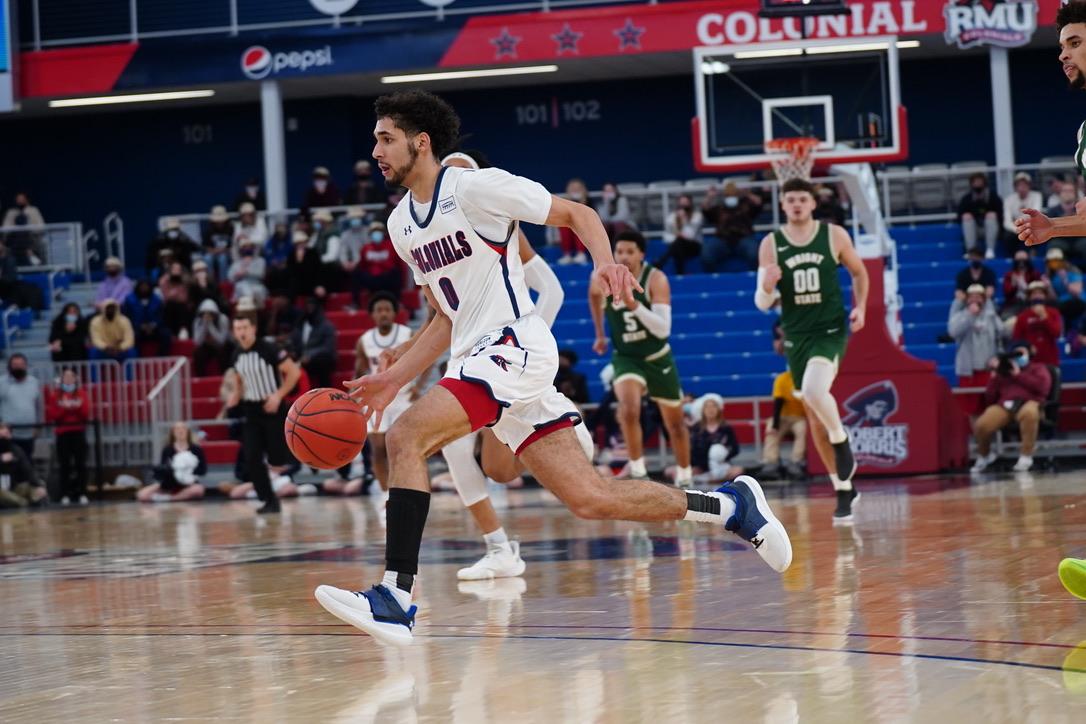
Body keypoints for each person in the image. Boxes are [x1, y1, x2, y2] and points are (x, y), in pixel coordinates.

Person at [314, 90, 791, 645]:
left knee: (406, 437)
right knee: (590, 499)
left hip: (513, 345)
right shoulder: (402, 227)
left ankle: (395, 597)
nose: (375, 150)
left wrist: (607, 264)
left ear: (420, 143)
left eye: (385, 138)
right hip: (478, 356)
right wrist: (393, 377)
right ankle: (730, 506)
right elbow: (446, 317)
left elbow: (576, 213)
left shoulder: (473, 187)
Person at [755, 177, 869, 522]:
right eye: (790, 199)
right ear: (783, 204)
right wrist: (767, 285)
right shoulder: (771, 244)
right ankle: (844, 488)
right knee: (814, 414)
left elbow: (860, 273)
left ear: (812, 203)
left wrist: (860, 306)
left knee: (817, 392)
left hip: (830, 329)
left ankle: (841, 438)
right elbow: (763, 303)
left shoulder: (833, 235)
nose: (797, 204)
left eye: (802, 198)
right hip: (796, 334)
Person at [590, 229, 692, 485]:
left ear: (641, 255)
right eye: (619, 251)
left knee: (676, 425)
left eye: (630, 252)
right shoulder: (603, 277)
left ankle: (685, 476)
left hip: (657, 356)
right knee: (628, 410)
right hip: (626, 357)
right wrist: (600, 334)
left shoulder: (656, 279)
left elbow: (663, 329)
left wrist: (633, 304)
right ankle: (638, 472)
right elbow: (593, 296)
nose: (623, 256)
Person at [1016, 4, 1086, 252]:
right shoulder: (1083, 132)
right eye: (1062, 47)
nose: (1063, 55)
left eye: (1075, 43)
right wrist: (1054, 227)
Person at [342, 292, 420, 503]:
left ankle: (407, 491)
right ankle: (387, 495)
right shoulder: (365, 341)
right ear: (372, 315)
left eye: (387, 309)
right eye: (379, 310)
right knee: (377, 449)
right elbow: (360, 369)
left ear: (395, 313)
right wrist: (354, 394)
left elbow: (426, 360)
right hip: (378, 400)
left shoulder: (407, 334)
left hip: (403, 398)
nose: (384, 313)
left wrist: (419, 386)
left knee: (402, 449)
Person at [225, 312, 300, 514]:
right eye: (237, 328)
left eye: (244, 328)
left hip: (273, 408)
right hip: (251, 409)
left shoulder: (269, 348)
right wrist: (235, 394)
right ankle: (269, 499)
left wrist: (278, 396)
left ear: (253, 329)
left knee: (279, 458)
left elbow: (294, 372)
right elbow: (240, 378)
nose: (241, 332)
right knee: (251, 456)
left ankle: (292, 479)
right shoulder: (236, 354)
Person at [971, 341, 1052, 473]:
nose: (1019, 357)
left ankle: (1026, 456)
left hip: (1031, 402)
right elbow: (990, 398)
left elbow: (1042, 388)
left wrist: (1018, 375)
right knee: (982, 424)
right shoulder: (1002, 373)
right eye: (1015, 354)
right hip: (1006, 405)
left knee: (1029, 413)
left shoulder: (1038, 368)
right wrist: (994, 377)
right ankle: (984, 455)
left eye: (1021, 353)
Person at [676, 393, 742, 485]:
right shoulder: (696, 428)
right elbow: (691, 450)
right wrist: (698, 465)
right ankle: (710, 478)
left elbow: (735, 449)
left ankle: (712, 478)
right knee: (679, 472)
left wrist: (723, 455)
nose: (710, 410)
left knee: (738, 471)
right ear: (702, 410)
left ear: (718, 409)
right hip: (701, 466)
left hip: (721, 465)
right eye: (707, 407)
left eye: (713, 407)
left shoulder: (726, 428)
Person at [45, 368, 89, 505]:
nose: (68, 379)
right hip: (62, 434)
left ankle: (82, 493)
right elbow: (53, 415)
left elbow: (85, 413)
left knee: (80, 464)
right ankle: (65, 494)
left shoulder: (82, 393)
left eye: (71, 377)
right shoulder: (55, 395)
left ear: (76, 379)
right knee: (64, 465)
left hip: (78, 432)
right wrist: (67, 408)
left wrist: (70, 407)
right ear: (61, 379)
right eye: (66, 377)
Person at [948, 283, 1005, 387]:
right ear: (967, 299)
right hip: (968, 371)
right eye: (971, 297)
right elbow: (953, 332)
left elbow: (1001, 332)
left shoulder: (990, 315)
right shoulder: (960, 315)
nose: (975, 300)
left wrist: (990, 306)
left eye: (978, 297)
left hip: (987, 368)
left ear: (984, 299)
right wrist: (970, 315)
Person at [137, 422, 208, 503]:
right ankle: (170, 495)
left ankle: (171, 498)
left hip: (188, 483)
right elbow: (163, 469)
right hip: (169, 482)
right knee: (142, 495)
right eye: (177, 429)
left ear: (188, 432)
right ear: (173, 432)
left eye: (183, 429)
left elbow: (203, 470)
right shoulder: (167, 449)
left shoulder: (196, 449)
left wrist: (187, 472)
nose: (180, 431)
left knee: (198, 490)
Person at [703, 182, 764, 272]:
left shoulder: (745, 205)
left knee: (754, 253)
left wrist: (748, 194)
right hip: (722, 240)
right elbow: (705, 209)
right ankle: (712, 279)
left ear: (737, 194)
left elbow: (759, 203)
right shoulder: (719, 208)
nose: (731, 197)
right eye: (728, 195)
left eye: (733, 194)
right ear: (725, 195)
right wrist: (710, 197)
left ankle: (755, 277)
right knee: (707, 254)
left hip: (744, 239)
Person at [762, 368, 807, 479]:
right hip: (782, 417)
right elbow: (778, 402)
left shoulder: (807, 379)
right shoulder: (782, 379)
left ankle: (796, 461)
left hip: (800, 418)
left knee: (803, 429)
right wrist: (775, 425)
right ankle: (771, 462)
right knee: (771, 427)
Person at [0, 354, 41, 460]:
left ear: (26, 366)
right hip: (8, 434)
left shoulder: (34, 382)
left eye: (21, 364)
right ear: (10, 366)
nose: (18, 367)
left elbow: (38, 405)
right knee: (10, 464)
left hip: (29, 432)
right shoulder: (2, 382)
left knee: (27, 462)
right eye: (15, 364)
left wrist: (38, 426)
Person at [351, 220, 403, 305]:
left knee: (396, 273)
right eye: (374, 231)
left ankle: (397, 301)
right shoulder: (366, 248)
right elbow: (363, 264)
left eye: (379, 231)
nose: (377, 234)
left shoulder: (391, 246)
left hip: (387, 277)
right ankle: (355, 303)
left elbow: (398, 263)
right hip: (371, 278)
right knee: (356, 273)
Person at [1013, 281, 1063, 366]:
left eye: (1040, 293)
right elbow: (1016, 339)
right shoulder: (1023, 316)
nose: (1037, 296)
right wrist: (1027, 347)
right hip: (1030, 363)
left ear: (1045, 296)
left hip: (1050, 361)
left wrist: (1044, 317)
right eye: (1034, 293)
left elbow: (1057, 333)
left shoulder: (1053, 313)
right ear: (1029, 297)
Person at [291, 297, 337, 389]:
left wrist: (310, 355)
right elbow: (294, 342)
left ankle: (325, 392)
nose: (309, 309)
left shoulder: (326, 325)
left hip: (320, 358)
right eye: (307, 306)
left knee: (323, 362)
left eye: (312, 306)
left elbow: (328, 347)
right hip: (301, 358)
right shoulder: (300, 324)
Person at [0, 422, 48, 509]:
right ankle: (24, 503)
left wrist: (39, 485)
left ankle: (36, 500)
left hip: (13, 488)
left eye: (6, 435)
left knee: (30, 487)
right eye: (1, 436)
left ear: (10, 435)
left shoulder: (16, 450)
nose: (4, 438)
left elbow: (28, 470)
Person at [958, 172, 1003, 258]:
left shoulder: (993, 196)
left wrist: (991, 214)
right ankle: (971, 250)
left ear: (984, 183)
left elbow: (1001, 214)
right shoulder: (967, 198)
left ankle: (990, 250)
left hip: (991, 229)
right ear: (971, 184)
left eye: (980, 181)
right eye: (975, 182)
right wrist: (968, 215)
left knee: (992, 216)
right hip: (974, 229)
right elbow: (959, 216)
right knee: (966, 217)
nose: (978, 184)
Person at [656, 193, 703, 275]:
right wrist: (677, 228)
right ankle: (680, 274)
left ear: (690, 204)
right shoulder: (672, 217)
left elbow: (690, 236)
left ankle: (660, 262)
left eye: (686, 203)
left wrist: (683, 220)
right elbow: (666, 236)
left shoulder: (697, 216)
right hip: (678, 245)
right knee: (678, 245)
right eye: (681, 203)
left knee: (678, 243)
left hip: (694, 247)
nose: (683, 206)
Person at [123, 279, 171, 356]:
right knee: (133, 336)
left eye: (146, 286)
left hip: (154, 328)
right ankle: (137, 359)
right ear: (138, 287)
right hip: (136, 328)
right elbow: (126, 317)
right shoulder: (129, 300)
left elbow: (162, 316)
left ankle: (161, 357)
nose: (144, 288)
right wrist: (140, 326)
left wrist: (153, 325)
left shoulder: (157, 299)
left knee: (166, 335)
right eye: (142, 286)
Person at [1043, 247, 1085, 327]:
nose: (1054, 263)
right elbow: (1054, 298)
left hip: (1077, 302)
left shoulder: (1073, 271)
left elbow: (1076, 293)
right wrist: (1049, 286)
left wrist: (1064, 279)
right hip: (1061, 304)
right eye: (1051, 261)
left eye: (1056, 260)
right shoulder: (1051, 276)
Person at [1, 192, 46, 265]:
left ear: (26, 200)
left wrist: (28, 226)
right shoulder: (11, 212)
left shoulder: (33, 210)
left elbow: (41, 227)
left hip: (31, 240)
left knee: (34, 254)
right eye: (18, 199)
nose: (20, 201)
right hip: (14, 242)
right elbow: (5, 229)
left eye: (22, 199)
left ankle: (37, 266)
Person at [556, 178, 593, 265]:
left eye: (578, 189)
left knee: (580, 225)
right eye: (573, 188)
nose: (575, 191)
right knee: (564, 226)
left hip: (585, 228)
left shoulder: (589, 201)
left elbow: (592, 218)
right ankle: (567, 254)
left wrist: (582, 202)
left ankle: (581, 254)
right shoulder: (565, 202)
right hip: (570, 227)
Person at [192, 299, 232, 377]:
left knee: (224, 352)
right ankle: (201, 377)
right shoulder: (198, 321)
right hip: (207, 346)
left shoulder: (223, 319)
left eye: (211, 313)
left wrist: (210, 326)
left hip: (222, 346)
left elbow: (221, 341)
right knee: (197, 353)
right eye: (205, 313)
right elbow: (197, 342)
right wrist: (204, 325)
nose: (208, 316)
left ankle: (225, 376)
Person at [1001, 249, 1043, 318]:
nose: (1021, 263)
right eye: (1019, 260)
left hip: (1031, 303)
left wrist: (1026, 288)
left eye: (1023, 260)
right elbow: (1007, 294)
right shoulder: (1009, 275)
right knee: (1005, 316)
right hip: (1014, 304)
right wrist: (1014, 285)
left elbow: (1039, 291)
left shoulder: (1034, 274)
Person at [227, 237, 268, 308]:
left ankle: (255, 312)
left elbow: (261, 274)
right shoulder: (236, 263)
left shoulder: (261, 261)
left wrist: (247, 272)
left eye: (250, 247)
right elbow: (230, 278)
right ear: (241, 249)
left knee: (258, 291)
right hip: (241, 286)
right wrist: (237, 275)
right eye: (245, 247)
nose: (248, 249)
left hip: (256, 284)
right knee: (243, 287)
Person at [157, 261, 194, 336]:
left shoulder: (185, 280)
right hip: (169, 306)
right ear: (170, 270)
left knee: (182, 306)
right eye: (174, 269)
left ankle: (183, 330)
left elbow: (184, 298)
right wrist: (168, 278)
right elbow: (166, 297)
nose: (176, 271)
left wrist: (174, 293)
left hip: (183, 307)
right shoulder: (165, 280)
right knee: (170, 305)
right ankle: (170, 332)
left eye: (178, 269)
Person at [286, 230, 325, 301]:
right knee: (291, 288)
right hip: (298, 283)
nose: (301, 245)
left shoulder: (313, 253)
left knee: (319, 292)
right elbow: (291, 273)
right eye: (298, 243)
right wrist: (299, 261)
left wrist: (319, 285)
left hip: (312, 282)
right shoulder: (291, 255)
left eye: (302, 242)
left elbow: (319, 270)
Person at [1003, 172, 1043, 239]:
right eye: (1019, 185)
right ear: (1015, 187)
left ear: (1029, 186)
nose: (1022, 187)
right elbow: (1007, 222)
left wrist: (1024, 227)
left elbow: (1035, 215)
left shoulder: (1037, 196)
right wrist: (1017, 229)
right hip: (1015, 229)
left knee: (1035, 231)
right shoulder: (1008, 200)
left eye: (1025, 184)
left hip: (1030, 226)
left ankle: (1032, 250)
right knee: (1007, 236)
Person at [202, 205, 235, 281]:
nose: (220, 222)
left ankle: (223, 282)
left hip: (227, 253)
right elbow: (206, 248)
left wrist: (223, 251)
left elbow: (233, 246)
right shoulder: (208, 231)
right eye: (218, 221)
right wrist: (217, 251)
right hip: (213, 253)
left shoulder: (231, 229)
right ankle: (210, 281)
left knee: (222, 259)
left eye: (221, 221)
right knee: (207, 258)